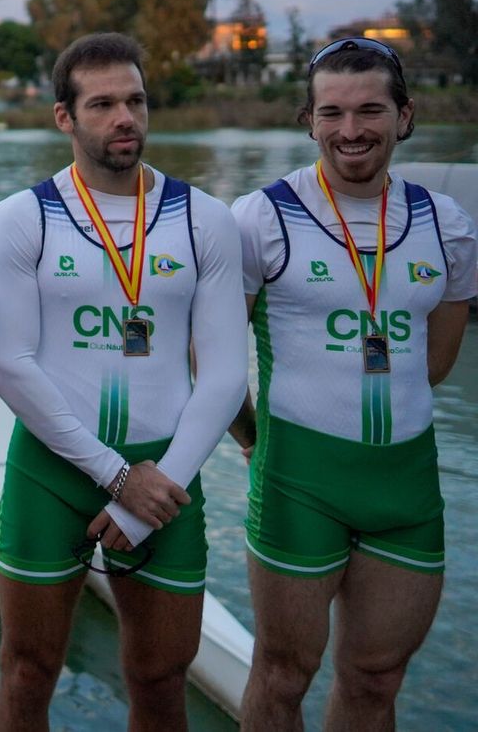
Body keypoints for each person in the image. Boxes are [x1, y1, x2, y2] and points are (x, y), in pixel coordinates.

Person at [0, 32, 246, 732]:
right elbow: (8, 363)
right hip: (53, 472)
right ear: (64, 117)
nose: (124, 116)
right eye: (102, 103)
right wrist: (115, 475)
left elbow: (223, 374)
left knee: (159, 678)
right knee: (27, 672)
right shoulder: (23, 216)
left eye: (135, 100)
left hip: (168, 474)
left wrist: (146, 488)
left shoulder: (205, 219)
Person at [227, 37, 475, 729]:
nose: (351, 130)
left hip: (405, 488)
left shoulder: (447, 226)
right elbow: (210, 360)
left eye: (370, 110)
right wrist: (254, 442)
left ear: (405, 116)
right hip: (298, 482)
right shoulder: (262, 218)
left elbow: (431, 366)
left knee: (375, 679)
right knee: (282, 676)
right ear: (308, 120)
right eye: (332, 112)